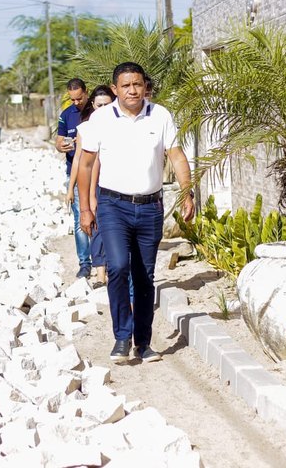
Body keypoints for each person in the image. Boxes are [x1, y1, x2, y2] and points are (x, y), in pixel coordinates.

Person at [77, 62, 195, 364]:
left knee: (144, 276)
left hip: (149, 208)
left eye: (138, 84)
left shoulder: (161, 115)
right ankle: (121, 337)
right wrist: (86, 209)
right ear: (115, 89)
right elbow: (86, 165)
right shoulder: (101, 119)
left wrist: (187, 192)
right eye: (126, 85)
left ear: (145, 86)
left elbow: (177, 155)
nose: (133, 90)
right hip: (112, 206)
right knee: (117, 267)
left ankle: (142, 343)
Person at [66, 85, 115, 285]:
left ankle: (113, 269)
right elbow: (79, 160)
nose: (103, 109)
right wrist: (72, 189)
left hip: (116, 183)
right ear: (93, 105)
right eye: (99, 105)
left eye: (107, 105)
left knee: (113, 228)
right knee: (94, 227)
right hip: (93, 184)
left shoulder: (123, 127)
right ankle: (99, 272)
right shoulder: (86, 129)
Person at [56, 78, 91, 278]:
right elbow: (58, 141)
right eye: (72, 100)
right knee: (79, 218)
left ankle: (102, 260)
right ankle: (84, 263)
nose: (76, 103)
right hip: (74, 174)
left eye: (79, 99)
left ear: (86, 93)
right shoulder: (66, 115)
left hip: (98, 172)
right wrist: (62, 146)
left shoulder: (96, 112)